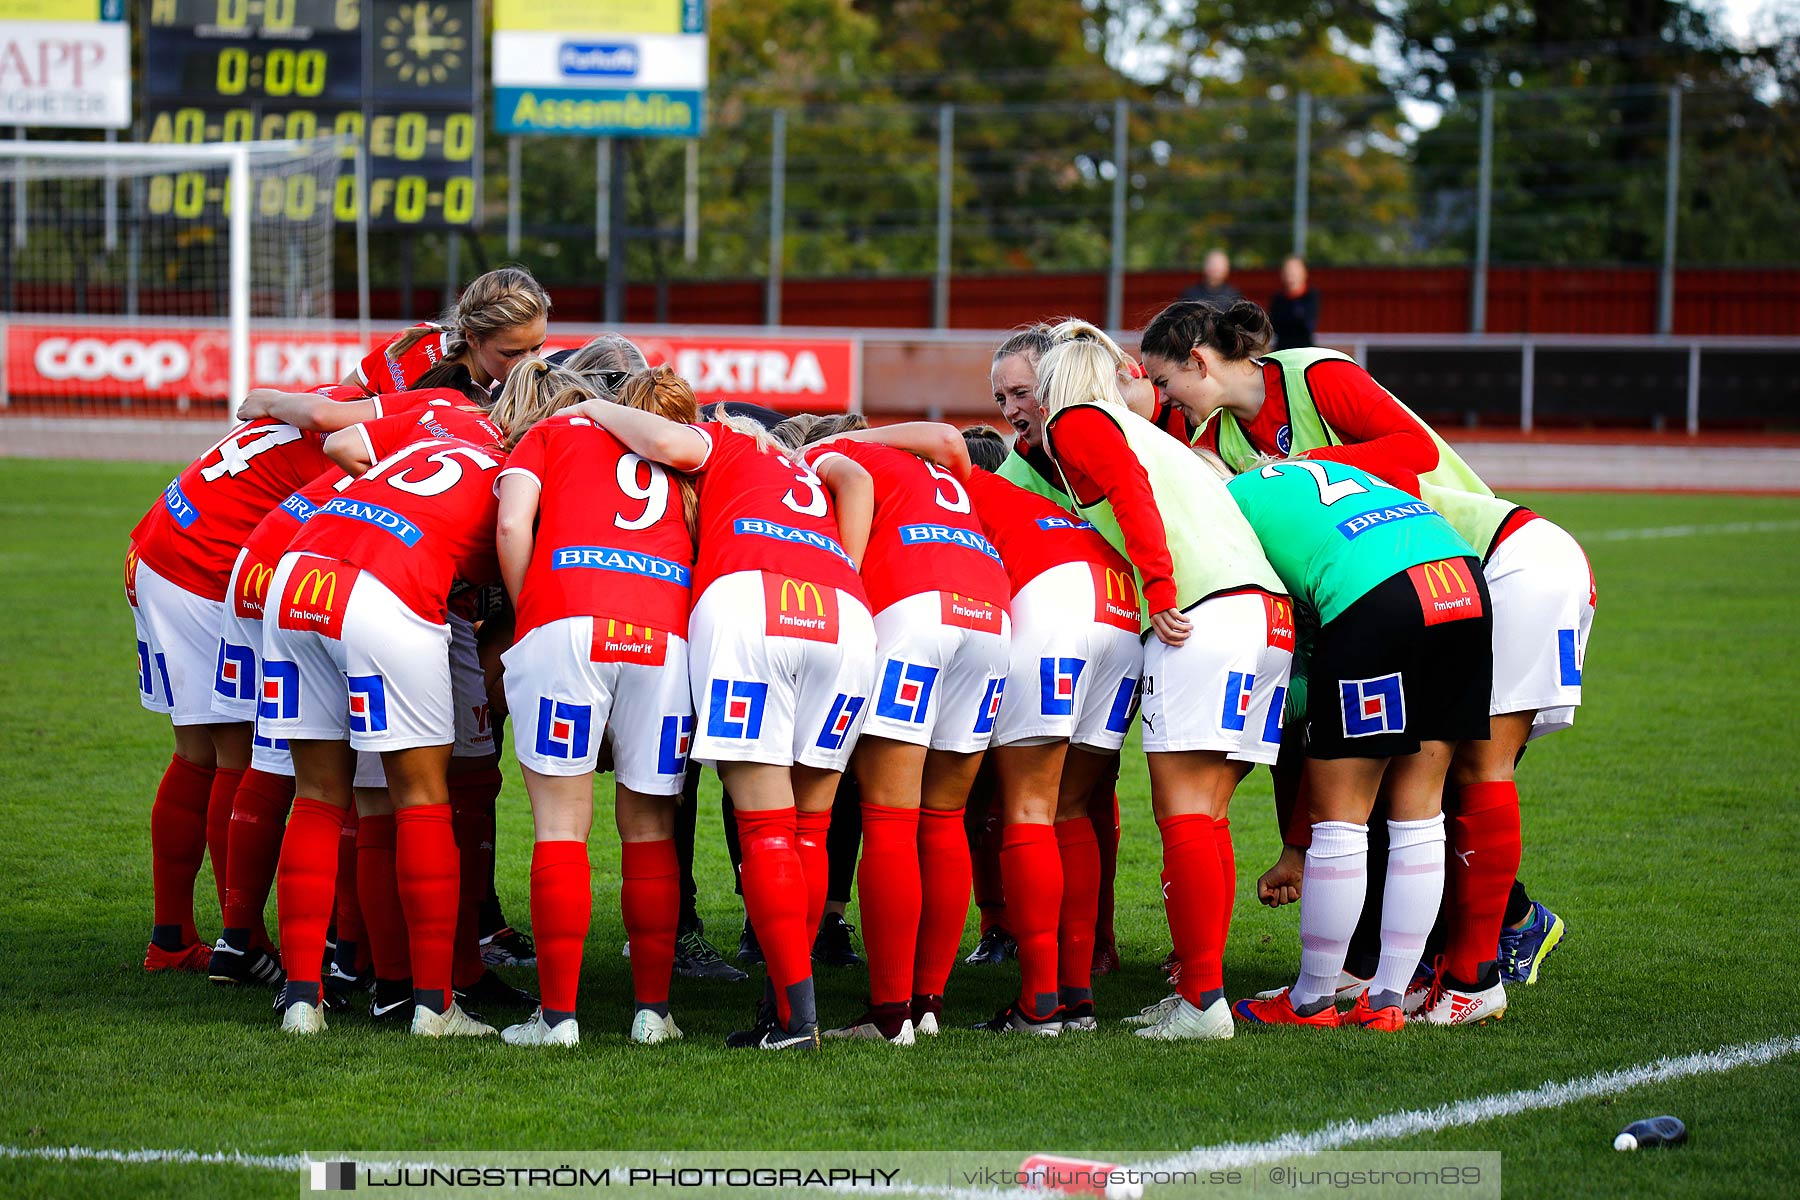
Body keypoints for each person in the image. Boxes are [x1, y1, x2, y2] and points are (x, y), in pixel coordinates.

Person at [1139, 299, 1587, 997]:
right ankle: (1408, 967)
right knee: (1401, 777)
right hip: (1433, 577)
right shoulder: (1225, 436)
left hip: (1487, 557)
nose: (1165, 402)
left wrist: (1300, 468)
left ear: (1200, 361)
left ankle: (1481, 954)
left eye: (1167, 384)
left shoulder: (1315, 374)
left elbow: (1416, 454)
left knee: (1454, 775)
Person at [562, 381, 878, 1051]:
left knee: (763, 823)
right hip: (843, 611)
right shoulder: (803, 463)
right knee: (809, 830)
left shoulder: (723, 438)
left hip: (752, 600)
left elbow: (672, 442)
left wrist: (592, 406)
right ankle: (785, 1003)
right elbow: (855, 476)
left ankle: (795, 1018)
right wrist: (846, 562)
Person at [260, 383, 572, 1036]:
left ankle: (300, 1000)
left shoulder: (445, 418)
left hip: (300, 567)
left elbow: (343, 442)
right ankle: (435, 1007)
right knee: (422, 797)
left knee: (318, 795)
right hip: (388, 589)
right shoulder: (535, 465)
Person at [1035, 319, 1291, 1042]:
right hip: (1264, 614)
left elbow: (1128, 493)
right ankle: (1197, 989)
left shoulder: (1078, 424)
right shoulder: (1154, 434)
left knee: (1182, 811)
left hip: (1203, 614)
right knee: (1206, 815)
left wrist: (1157, 588)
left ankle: (1202, 1000)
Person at [1218, 453, 1494, 1031]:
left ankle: (1313, 999)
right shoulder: (1296, 476)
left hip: (1376, 592)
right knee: (1420, 811)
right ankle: (1390, 997)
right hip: (1461, 582)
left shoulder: (1226, 502)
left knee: (1341, 818)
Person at [777, 416, 1013, 1046]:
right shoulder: (919, 468)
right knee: (944, 819)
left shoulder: (826, 455)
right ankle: (929, 1004)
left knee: (889, 819)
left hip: (909, 604)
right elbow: (948, 442)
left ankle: (888, 1015)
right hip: (990, 610)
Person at [493, 367, 700, 1047]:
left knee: (561, 825)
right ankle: (652, 1013)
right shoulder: (677, 449)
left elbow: (511, 525)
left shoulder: (551, 431)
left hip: (568, 619)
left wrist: (533, 615)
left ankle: (557, 1018)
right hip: (663, 630)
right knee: (648, 828)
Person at [126, 409, 350, 973]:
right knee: (244, 755)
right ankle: (241, 938)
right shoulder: (365, 436)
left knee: (199, 754)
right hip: (204, 571)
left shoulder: (330, 401)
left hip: (162, 544)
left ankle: (175, 937)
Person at [958, 427, 1144, 1035]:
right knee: (1071, 808)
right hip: (1118, 604)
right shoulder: (1033, 497)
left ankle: (1038, 1003)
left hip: (1054, 600)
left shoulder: (948, 487)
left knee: (1029, 810)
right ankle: (1078, 996)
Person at [342, 265, 551, 396]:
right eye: (511, 353)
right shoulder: (467, 405)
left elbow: (339, 392)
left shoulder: (422, 334)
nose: (529, 363)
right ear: (473, 338)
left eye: (537, 348)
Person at [1268, 256, 1319, 349]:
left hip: (1304, 348)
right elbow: (1273, 325)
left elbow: (1307, 325)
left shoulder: (1311, 296)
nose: (1290, 275)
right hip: (1282, 348)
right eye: (1288, 272)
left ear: (1304, 273)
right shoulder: (1278, 299)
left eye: (1294, 272)